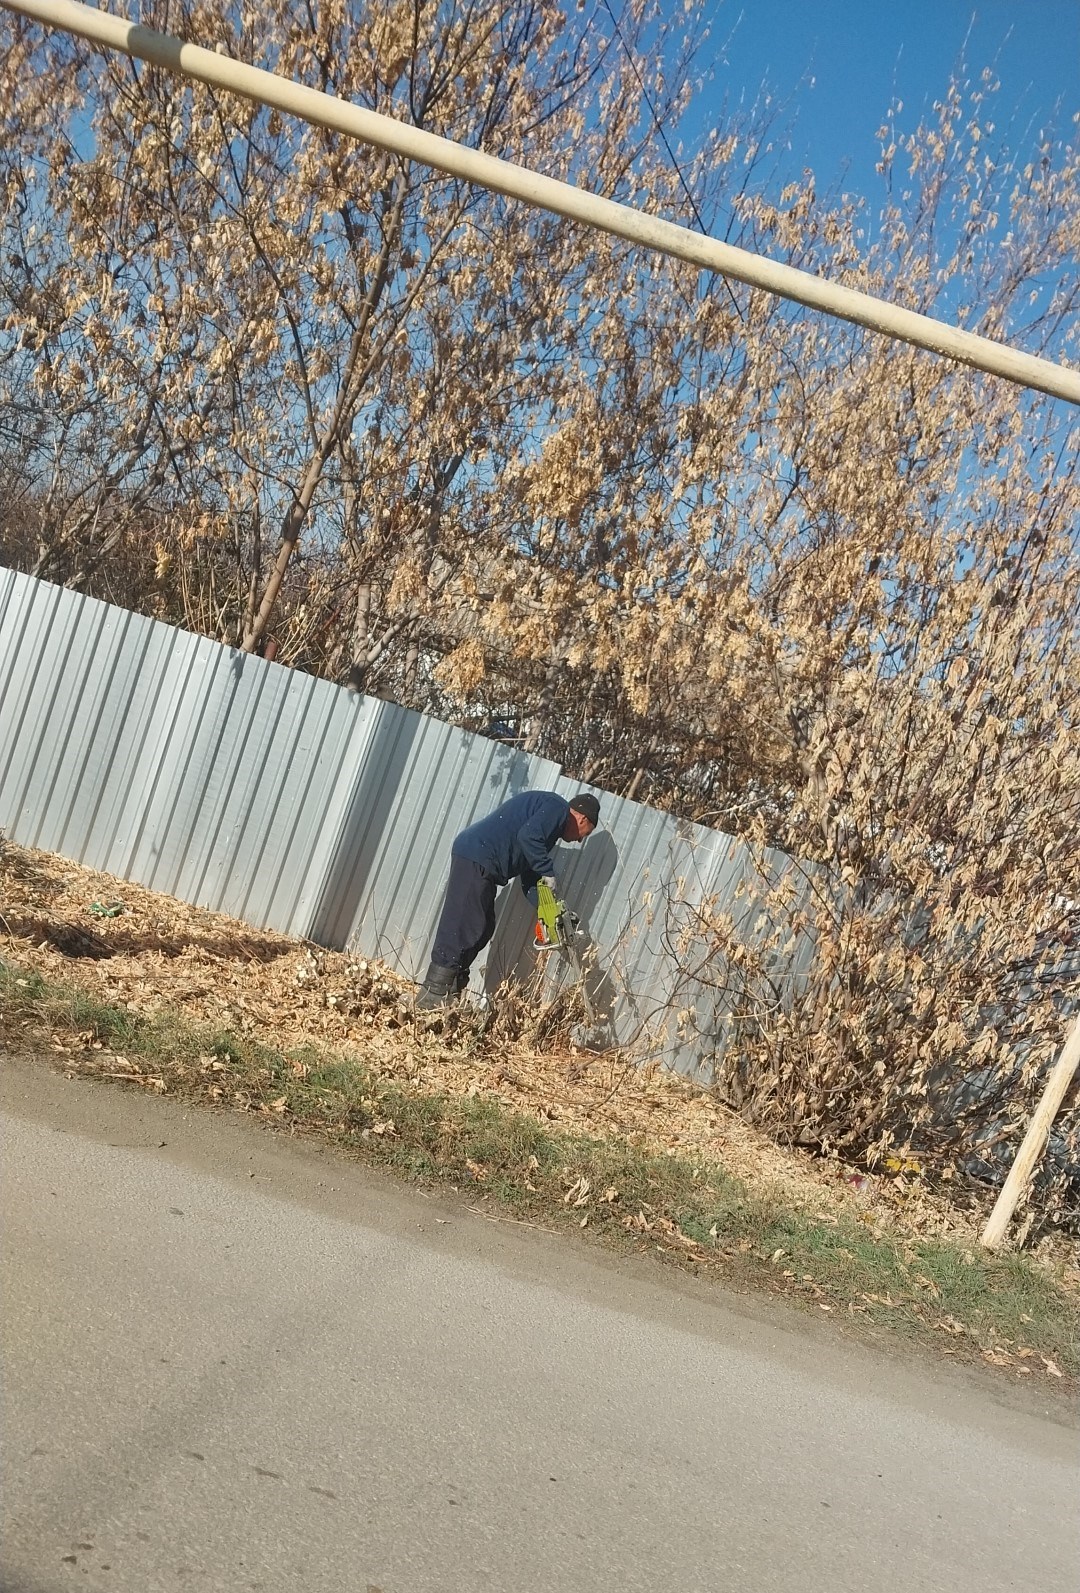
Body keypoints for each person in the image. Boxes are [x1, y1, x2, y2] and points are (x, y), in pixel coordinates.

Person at [415, 790, 600, 1008]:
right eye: (584, 834)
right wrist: (548, 871)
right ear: (582, 818)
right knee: (463, 923)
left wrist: (547, 906)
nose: (579, 840)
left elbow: (529, 873)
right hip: (477, 855)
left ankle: (451, 987)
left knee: (482, 927)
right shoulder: (557, 808)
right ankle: (433, 993)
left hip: (483, 861)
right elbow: (528, 837)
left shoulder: (549, 827)